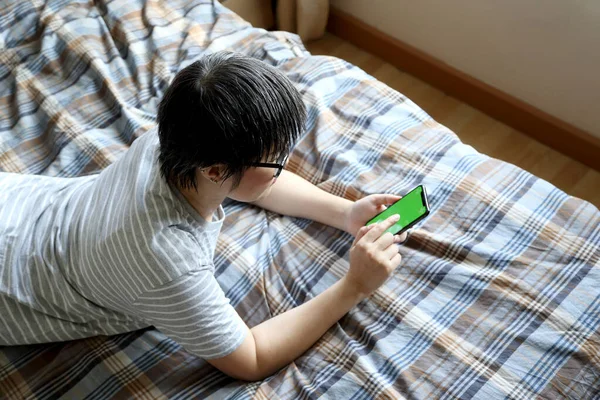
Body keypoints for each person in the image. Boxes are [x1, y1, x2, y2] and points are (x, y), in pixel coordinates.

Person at [0, 51, 407, 381]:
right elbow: (252, 358)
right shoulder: (168, 259)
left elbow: (256, 182)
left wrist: (346, 213)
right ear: (214, 169)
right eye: (276, 159)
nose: (285, 164)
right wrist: (354, 285)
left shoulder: (168, 139)